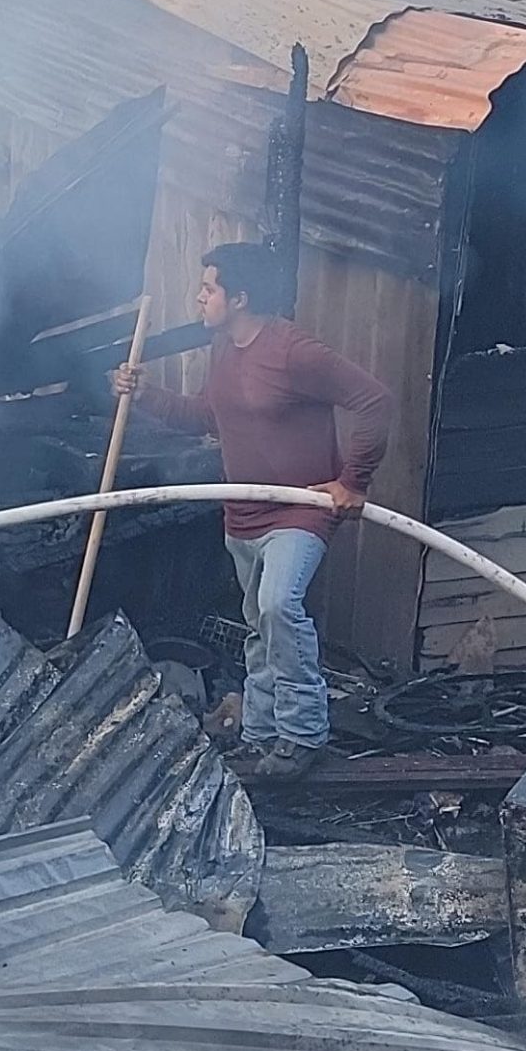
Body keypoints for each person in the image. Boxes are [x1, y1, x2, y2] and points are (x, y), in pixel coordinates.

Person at [114, 242, 393, 774]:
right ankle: (261, 733)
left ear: (240, 298)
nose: (199, 297)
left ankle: (303, 734)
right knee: (259, 624)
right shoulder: (225, 349)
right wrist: (146, 393)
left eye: (209, 288)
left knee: (279, 606)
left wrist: (353, 481)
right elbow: (207, 416)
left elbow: (374, 400)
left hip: (300, 511)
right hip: (242, 515)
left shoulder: (294, 351)